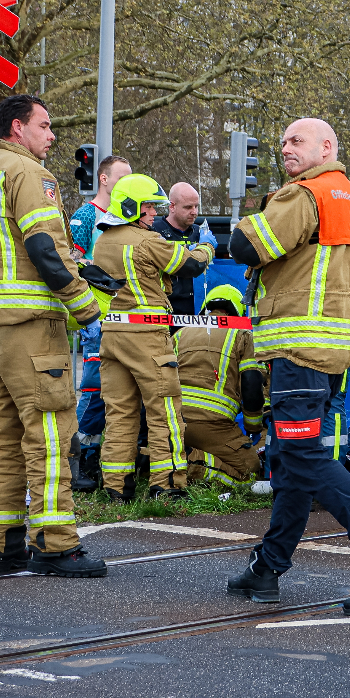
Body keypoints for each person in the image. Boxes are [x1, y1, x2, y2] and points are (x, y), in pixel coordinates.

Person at [224, 118, 350, 614]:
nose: (285, 148)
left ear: (326, 146)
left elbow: (244, 247)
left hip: (295, 352)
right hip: (331, 354)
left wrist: (250, 216)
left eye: (296, 141)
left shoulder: (303, 196)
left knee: (302, 456)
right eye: (283, 140)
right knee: (291, 459)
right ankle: (267, 568)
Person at [0, 94, 105, 577]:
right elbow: (43, 248)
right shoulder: (31, 175)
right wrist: (84, 305)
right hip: (30, 328)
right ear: (18, 128)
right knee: (50, 433)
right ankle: (56, 545)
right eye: (45, 126)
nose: (52, 135)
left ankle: (0, 545)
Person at [93, 173, 214, 501]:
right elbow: (190, 265)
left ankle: (115, 486)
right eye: (148, 207)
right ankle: (169, 484)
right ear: (130, 207)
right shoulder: (147, 241)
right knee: (165, 409)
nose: (154, 214)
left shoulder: (102, 241)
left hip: (112, 335)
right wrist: (205, 246)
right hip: (146, 336)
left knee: (119, 412)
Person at [67, 155, 130, 494]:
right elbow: (70, 260)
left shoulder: (125, 216)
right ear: (104, 179)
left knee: (115, 391)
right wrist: (89, 265)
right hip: (96, 318)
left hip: (123, 317)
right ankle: (79, 460)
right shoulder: (86, 215)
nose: (128, 185)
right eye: (122, 178)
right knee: (93, 388)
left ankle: (101, 458)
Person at [174, 284, 265, 492]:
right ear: (237, 311)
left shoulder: (181, 333)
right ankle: (191, 462)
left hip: (175, 422)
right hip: (214, 424)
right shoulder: (242, 335)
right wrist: (253, 428)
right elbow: (251, 386)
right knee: (249, 472)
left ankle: (168, 457)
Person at [154, 182, 209, 320]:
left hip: (197, 307)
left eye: (196, 206)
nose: (194, 212)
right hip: (167, 307)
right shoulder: (154, 231)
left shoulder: (200, 232)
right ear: (172, 206)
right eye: (188, 207)